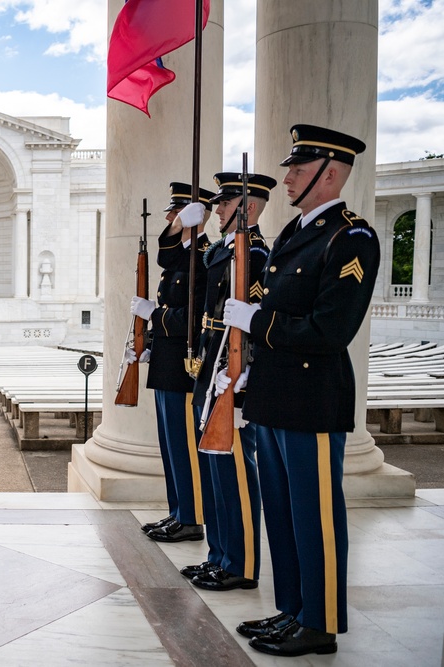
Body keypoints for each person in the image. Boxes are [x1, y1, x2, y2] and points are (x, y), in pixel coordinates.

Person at [222, 125, 379, 657]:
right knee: (284, 513)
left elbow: (331, 330)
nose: (287, 177)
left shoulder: (351, 238)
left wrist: (258, 323)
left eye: (298, 168)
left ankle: (322, 621)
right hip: (273, 395)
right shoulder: (293, 233)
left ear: (330, 174)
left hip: (311, 399)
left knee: (315, 514)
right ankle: (291, 610)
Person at [176, 172, 276, 592]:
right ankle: (220, 555)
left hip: (231, 372)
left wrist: (242, 374)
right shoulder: (225, 249)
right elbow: (198, 272)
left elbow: (251, 318)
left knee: (235, 469)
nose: (217, 209)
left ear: (247, 208)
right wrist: (190, 233)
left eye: (224, 204)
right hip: (212, 367)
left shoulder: (253, 252)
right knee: (215, 466)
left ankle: (241, 563)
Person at [128, 182, 215, 544]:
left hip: (184, 367)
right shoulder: (184, 257)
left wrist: (155, 315)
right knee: (169, 445)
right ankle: (179, 511)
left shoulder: (206, 257)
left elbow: (196, 319)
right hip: (167, 363)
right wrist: (149, 343)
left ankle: (192, 516)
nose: (168, 218)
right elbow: (166, 258)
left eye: (176, 213)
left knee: (184, 446)